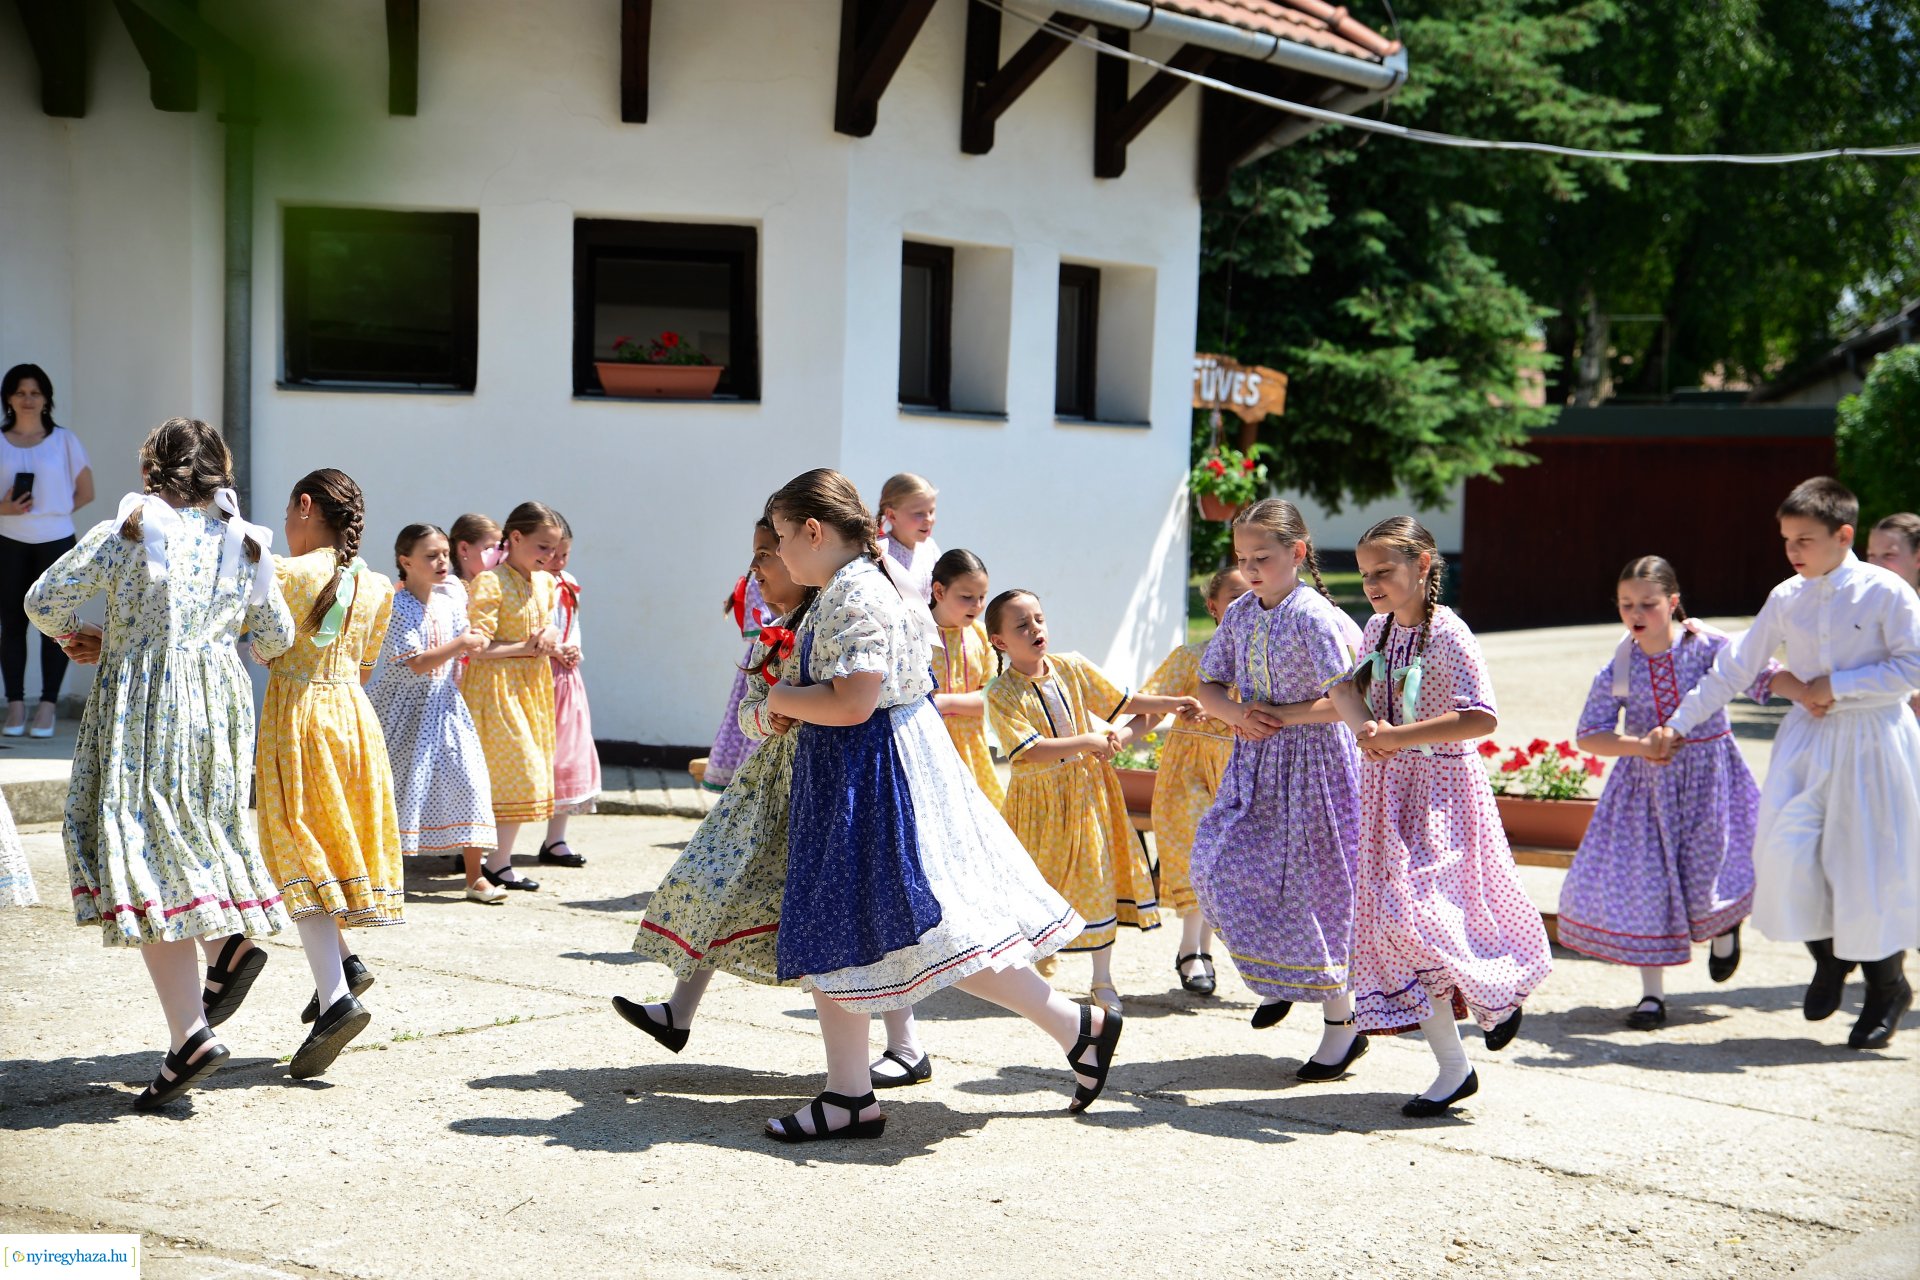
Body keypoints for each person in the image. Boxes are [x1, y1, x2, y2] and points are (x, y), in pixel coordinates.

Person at [759, 469, 1116, 1142]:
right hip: (876, 762)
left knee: (863, 924)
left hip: (868, 771)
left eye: (782, 536)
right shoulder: (866, 581)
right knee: (904, 933)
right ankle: (1072, 1027)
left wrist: (777, 697)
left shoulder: (856, 590)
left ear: (813, 530)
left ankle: (850, 1093)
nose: (778, 553)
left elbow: (855, 700)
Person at [24, 417, 293, 1109]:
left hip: (146, 701)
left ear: (153, 470)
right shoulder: (246, 542)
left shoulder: (131, 530)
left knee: (143, 849)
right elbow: (277, 636)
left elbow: (42, 599)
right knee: (193, 835)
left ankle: (190, 1034)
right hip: (219, 710)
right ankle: (224, 949)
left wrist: (85, 636)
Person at [1650, 479, 1920, 1050]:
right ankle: (1828, 957)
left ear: (1843, 535)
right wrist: (1679, 723)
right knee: (1783, 855)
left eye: (1805, 539)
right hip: (1808, 741)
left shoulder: (1886, 591)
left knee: (1865, 869)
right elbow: (1736, 666)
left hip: (1873, 741)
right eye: (1786, 539)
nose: (1793, 550)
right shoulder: (1787, 596)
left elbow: (1912, 666)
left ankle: (1887, 988)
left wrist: (1837, 685)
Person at [1324, 517, 1552, 1116]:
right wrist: (1364, 727)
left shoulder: (1450, 633)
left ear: (1423, 565)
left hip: (1441, 793)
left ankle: (1497, 992)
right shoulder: (1377, 628)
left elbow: (1481, 717)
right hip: (1387, 791)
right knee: (1392, 924)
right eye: (1364, 574)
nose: (1371, 584)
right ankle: (1454, 1066)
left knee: (1428, 914)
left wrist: (1396, 736)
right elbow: (1349, 692)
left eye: (1383, 571)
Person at [1192, 501, 1373, 1083]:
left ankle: (1343, 1026)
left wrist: (1279, 715)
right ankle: (1279, 973)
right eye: (1242, 558)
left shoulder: (1314, 617)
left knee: (1316, 890)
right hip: (1257, 760)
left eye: (1262, 557)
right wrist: (1237, 715)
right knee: (1215, 864)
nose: (1250, 569)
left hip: (1316, 767)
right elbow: (1208, 684)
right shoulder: (1242, 612)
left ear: (1297, 552)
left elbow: (1345, 699)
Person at [617, 518, 813, 1043]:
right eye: (755, 553)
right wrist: (769, 715)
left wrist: (795, 706)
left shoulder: (825, 626)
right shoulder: (775, 632)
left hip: (819, 785)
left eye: (767, 553)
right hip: (770, 782)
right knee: (718, 878)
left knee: (851, 920)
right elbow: (750, 711)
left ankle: (903, 1045)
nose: (755, 567)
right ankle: (677, 1012)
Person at [1559, 556, 1774, 1029]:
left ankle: (1724, 928)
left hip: (1708, 778)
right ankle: (1651, 997)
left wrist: (1819, 692)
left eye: (1648, 604)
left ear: (1673, 602)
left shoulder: (1707, 646)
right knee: (1647, 886)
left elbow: (1762, 673)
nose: (1636, 613)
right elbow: (1591, 734)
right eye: (1626, 604)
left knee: (1707, 868)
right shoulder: (1620, 666)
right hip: (1644, 791)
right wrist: (1639, 746)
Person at [985, 588, 1200, 1016]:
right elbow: (1030, 750)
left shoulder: (1073, 667)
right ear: (1000, 641)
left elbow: (1125, 701)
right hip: (1038, 806)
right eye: (1022, 625)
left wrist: (1172, 703)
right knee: (1037, 885)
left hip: (1088, 794)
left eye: (1039, 619)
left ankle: (1102, 979)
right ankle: (1034, 967)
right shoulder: (1000, 693)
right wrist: (1088, 741)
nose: (1035, 629)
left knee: (1098, 877)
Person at [258, 468, 403, 1079]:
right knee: (321, 845)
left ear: (305, 506)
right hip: (353, 718)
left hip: (301, 718)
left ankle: (337, 996)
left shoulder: (287, 574)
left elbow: (263, 645)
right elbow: (365, 665)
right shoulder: (375, 585)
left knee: (298, 849)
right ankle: (342, 964)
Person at [1126, 564, 1251, 998]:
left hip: (1239, 770)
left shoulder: (1266, 662)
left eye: (1251, 595)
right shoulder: (1189, 657)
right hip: (1187, 770)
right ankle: (1192, 949)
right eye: (1233, 597)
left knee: (1221, 862)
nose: (1244, 604)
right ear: (1213, 607)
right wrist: (1117, 739)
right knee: (1197, 849)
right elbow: (1151, 708)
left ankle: (1198, 951)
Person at [366, 523, 501, 904]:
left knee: (470, 780)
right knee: (392, 789)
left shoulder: (450, 597)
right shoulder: (397, 606)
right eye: (431, 555)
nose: (442, 561)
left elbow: (464, 641)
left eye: (444, 554)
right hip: (401, 710)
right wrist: (462, 643)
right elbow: (417, 662)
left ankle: (475, 877)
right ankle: (379, 873)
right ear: (406, 562)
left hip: (444, 705)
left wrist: (475, 641)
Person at [462, 501, 565, 891]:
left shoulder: (546, 583)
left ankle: (498, 861)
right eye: (543, 546)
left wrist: (550, 636)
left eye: (553, 548)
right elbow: (477, 648)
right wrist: (526, 647)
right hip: (495, 687)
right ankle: (488, 858)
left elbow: (549, 625)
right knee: (515, 769)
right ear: (516, 538)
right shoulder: (491, 582)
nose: (550, 556)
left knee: (523, 772)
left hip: (531, 687)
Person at [2, 363, 95, 738]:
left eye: (35, 392)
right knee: (11, 626)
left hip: (56, 542)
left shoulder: (64, 440)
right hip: (7, 541)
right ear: (8, 398)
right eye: (20, 392)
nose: (28, 399)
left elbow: (86, 492)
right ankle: (15, 706)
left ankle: (47, 707)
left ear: (46, 399)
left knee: (56, 625)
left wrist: (52, 513)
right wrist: (6, 508)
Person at [540, 523, 599, 867]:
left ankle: (556, 838)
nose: (559, 561)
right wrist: (556, 650)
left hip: (565, 678)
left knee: (567, 755)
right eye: (552, 553)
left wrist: (573, 648)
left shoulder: (568, 582)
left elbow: (572, 624)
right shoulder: (532, 584)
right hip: (539, 674)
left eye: (564, 554)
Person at [928, 548, 1003, 807]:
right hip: (928, 750)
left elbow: (992, 698)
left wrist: (943, 703)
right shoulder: (915, 633)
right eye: (967, 597)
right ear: (939, 592)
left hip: (974, 753)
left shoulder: (982, 636)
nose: (977, 605)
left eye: (982, 597)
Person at [703, 534, 775, 793]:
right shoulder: (759, 581)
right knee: (754, 728)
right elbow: (765, 633)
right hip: (765, 662)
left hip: (772, 660)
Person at [1866, 513, 1920, 719]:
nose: (1876, 565)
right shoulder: (1855, 608)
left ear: (1918, 558)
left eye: (1888, 555)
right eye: (1871, 555)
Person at [875, 472, 940, 603]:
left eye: (931, 511)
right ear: (892, 515)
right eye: (919, 513)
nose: (929, 519)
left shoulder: (930, 548)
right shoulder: (881, 552)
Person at [449, 512, 504, 583]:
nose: (498, 556)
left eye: (499, 549)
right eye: (489, 549)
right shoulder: (448, 588)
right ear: (464, 549)